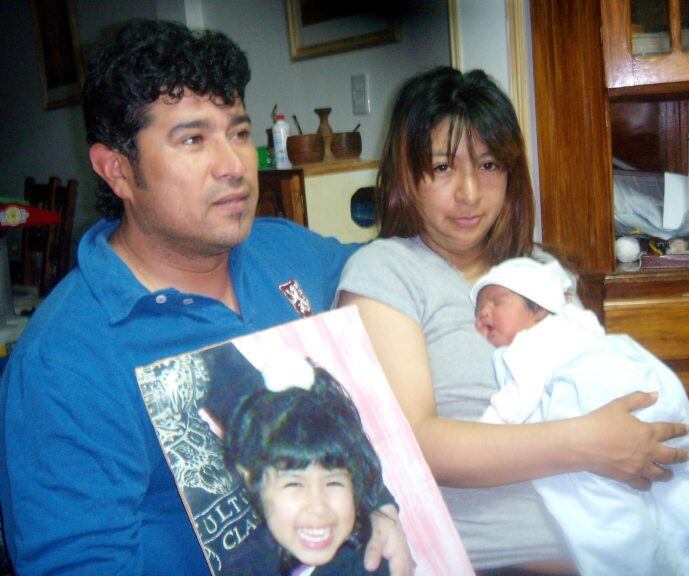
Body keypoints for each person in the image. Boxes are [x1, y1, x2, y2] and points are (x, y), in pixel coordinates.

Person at [0, 19, 411, 576]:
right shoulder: (65, 361)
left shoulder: (287, 251)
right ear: (117, 170)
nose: (235, 165)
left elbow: (398, 272)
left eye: (238, 133)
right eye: (193, 140)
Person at [336, 66, 689, 574]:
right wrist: (588, 444)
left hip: (612, 532)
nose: (469, 192)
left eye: (488, 165)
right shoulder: (384, 272)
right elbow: (414, 444)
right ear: (406, 175)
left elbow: (592, 377)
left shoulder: (539, 270)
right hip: (496, 558)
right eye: (442, 167)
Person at [471, 256, 689, 575]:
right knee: (659, 491)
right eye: (478, 309)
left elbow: (516, 400)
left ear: (539, 309)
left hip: (607, 393)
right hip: (632, 407)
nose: (484, 312)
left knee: (600, 507)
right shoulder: (575, 325)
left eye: (497, 302)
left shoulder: (534, 343)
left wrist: (484, 432)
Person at [223, 358, 390, 576]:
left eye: (333, 483)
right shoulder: (244, 564)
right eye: (294, 484)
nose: (318, 506)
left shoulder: (368, 562)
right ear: (251, 478)